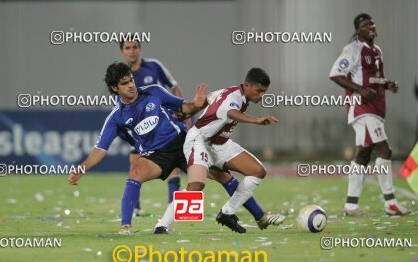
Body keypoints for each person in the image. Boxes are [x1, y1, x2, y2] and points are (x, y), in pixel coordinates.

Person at [69, 62, 284, 234]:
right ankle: (126, 226)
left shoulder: (153, 92)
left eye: (131, 80)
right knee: (135, 172)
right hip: (155, 155)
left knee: (223, 176)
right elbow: (100, 150)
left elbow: (185, 107)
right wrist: (81, 169)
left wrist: (197, 103)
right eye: (125, 83)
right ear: (115, 88)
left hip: (182, 142)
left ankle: (259, 216)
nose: (131, 85)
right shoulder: (116, 117)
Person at [154, 67, 285, 234]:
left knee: (257, 171)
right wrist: (257, 120)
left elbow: (206, 101)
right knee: (196, 185)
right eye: (259, 91)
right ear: (247, 85)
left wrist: (187, 113)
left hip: (220, 144)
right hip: (199, 140)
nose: (261, 96)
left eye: (264, 92)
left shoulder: (229, 91)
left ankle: (227, 212)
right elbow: (232, 112)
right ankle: (161, 225)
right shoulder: (234, 97)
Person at [329, 13, 411, 217]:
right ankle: (391, 203)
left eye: (372, 23)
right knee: (385, 150)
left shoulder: (377, 50)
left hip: (376, 106)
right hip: (361, 107)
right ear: (358, 30)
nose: (371, 26)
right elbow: (335, 74)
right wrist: (359, 90)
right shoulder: (353, 49)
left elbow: (373, 78)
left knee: (363, 154)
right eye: (366, 24)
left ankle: (351, 205)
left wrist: (386, 83)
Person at [119, 39, 187, 215]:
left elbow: (174, 86)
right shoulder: (120, 75)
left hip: (163, 123)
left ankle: (173, 207)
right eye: (128, 48)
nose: (132, 51)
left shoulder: (154, 66)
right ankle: (135, 208)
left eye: (135, 47)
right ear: (122, 52)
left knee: (173, 165)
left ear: (140, 49)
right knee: (135, 164)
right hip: (141, 128)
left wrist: (181, 110)